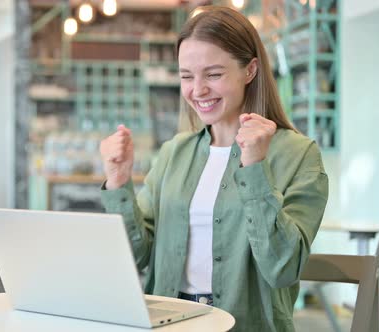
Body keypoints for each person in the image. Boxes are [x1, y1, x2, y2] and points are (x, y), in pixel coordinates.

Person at [99, 5, 329, 332]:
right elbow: (135, 257)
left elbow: (283, 266)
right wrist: (118, 181)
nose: (198, 90)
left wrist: (254, 167)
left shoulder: (299, 155)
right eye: (186, 76)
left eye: (213, 74)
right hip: (166, 323)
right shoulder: (173, 153)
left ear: (250, 70)